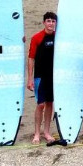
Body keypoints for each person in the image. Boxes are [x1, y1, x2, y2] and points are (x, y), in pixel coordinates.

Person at [27, 12, 57, 144]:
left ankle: (46, 132)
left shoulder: (58, 37)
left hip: (54, 77)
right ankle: (37, 134)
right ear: (44, 22)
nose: (51, 23)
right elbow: (31, 58)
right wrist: (30, 78)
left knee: (50, 104)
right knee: (40, 105)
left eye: (53, 21)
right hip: (40, 77)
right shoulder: (37, 38)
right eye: (49, 21)